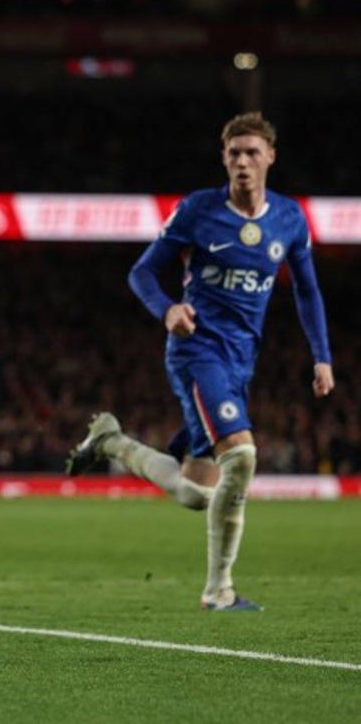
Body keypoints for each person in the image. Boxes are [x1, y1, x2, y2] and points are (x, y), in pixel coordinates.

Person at [67, 112, 334, 612]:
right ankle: (219, 592)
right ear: (224, 160)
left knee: (195, 493)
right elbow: (142, 272)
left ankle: (112, 441)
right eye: (234, 153)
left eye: (252, 152)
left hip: (241, 361)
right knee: (244, 455)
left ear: (270, 157)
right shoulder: (198, 211)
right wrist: (167, 308)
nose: (242, 162)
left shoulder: (289, 219)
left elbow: (308, 289)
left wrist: (322, 356)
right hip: (197, 351)